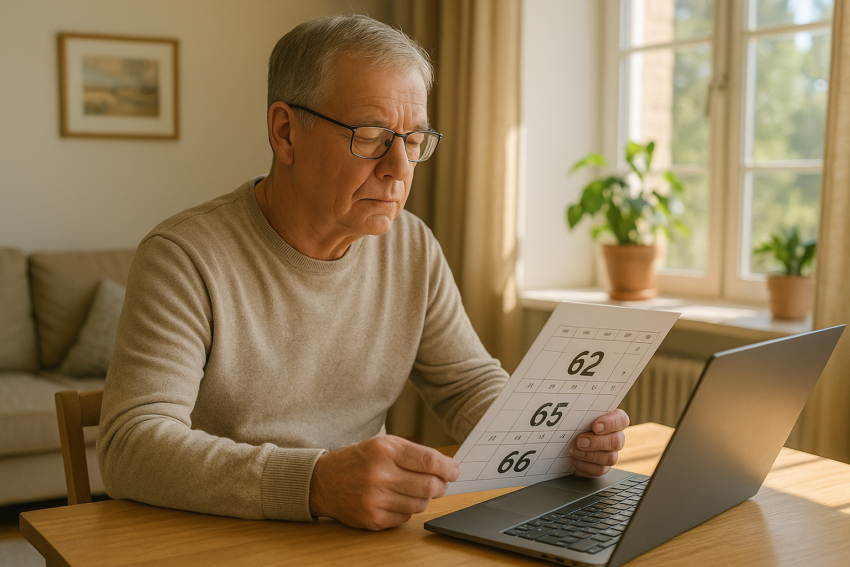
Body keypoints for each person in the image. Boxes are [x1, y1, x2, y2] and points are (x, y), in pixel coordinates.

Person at [97, 14, 629, 531]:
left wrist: (554, 436)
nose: (399, 169)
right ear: (285, 133)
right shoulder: (183, 256)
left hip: (357, 539)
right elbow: (130, 445)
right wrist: (314, 483)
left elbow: (466, 384)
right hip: (215, 536)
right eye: (372, 135)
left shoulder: (412, 246)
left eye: (414, 140)